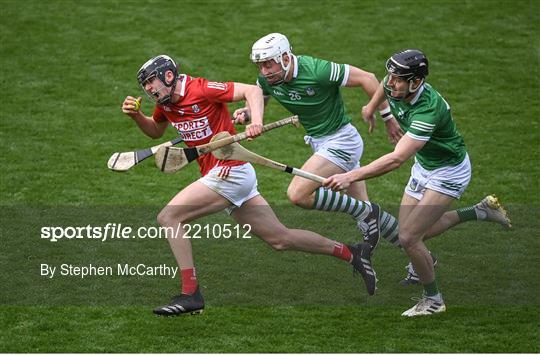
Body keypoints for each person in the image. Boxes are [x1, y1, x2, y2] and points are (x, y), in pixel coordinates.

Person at [121, 55, 380, 316]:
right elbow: (156, 131)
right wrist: (136, 116)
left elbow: (252, 90)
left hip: (230, 171)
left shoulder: (200, 88)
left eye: (152, 82)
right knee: (280, 238)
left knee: (169, 217)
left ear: (168, 76)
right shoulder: (166, 104)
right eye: (146, 86)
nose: (150, 89)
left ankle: (191, 294)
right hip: (223, 175)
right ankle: (351, 253)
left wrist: (256, 120)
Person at [323, 49, 511, 316]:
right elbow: (382, 88)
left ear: (416, 82)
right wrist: (371, 107)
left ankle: (434, 300)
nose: (390, 83)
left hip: (448, 172)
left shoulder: (427, 110)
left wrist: (349, 175)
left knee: (410, 237)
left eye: (398, 79)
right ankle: (480, 211)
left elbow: (396, 159)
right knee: (409, 232)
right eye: (391, 76)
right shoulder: (398, 87)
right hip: (424, 166)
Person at [233, 33, 426, 284]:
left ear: (284, 57)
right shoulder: (268, 79)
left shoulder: (318, 70)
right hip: (320, 144)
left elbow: (367, 78)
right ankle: (422, 261)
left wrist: (388, 117)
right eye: (259, 65)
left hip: (341, 142)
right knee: (367, 217)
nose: (264, 70)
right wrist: (247, 113)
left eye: (268, 63)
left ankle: (366, 212)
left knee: (298, 194)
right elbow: (261, 101)